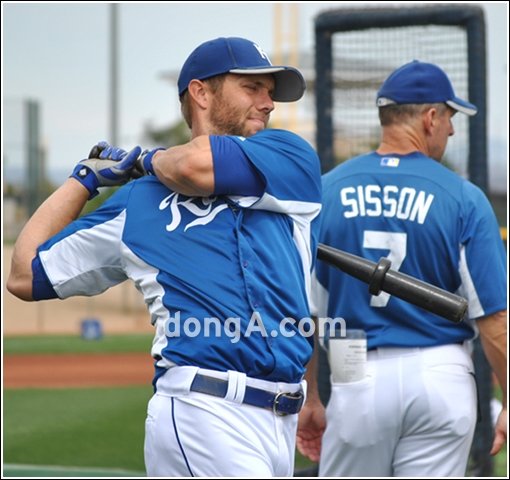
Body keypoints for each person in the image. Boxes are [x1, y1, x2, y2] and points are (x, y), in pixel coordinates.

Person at [7, 37, 322, 477]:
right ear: (201, 93)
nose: (268, 103)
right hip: (203, 410)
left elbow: (195, 166)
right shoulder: (138, 201)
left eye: (270, 92)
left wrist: (143, 160)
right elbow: (24, 275)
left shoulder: (290, 157)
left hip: (280, 419)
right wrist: (83, 180)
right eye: (253, 87)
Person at [296, 60, 507, 477]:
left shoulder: (325, 191)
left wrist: (311, 399)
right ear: (430, 118)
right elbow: (495, 317)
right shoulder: (463, 197)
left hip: (356, 374)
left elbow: (305, 312)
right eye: (448, 117)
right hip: (441, 375)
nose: (450, 129)